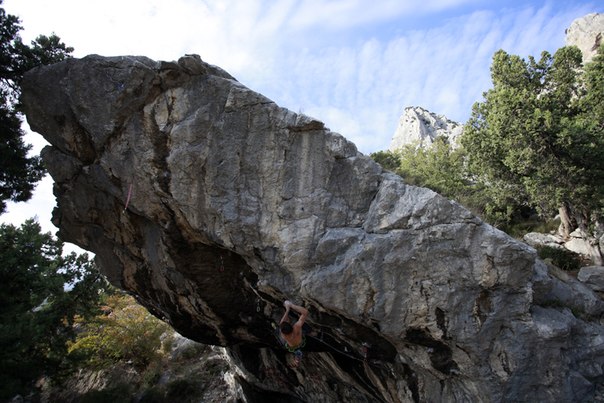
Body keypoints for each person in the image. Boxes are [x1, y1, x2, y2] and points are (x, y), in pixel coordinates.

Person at [279, 300, 309, 367]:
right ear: (291, 325)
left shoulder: (283, 335)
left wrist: (287, 310)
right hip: (300, 341)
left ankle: (297, 361)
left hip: (293, 346)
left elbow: (281, 323)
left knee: (297, 352)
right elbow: (305, 312)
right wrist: (291, 305)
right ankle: (297, 360)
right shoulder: (296, 327)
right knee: (304, 327)